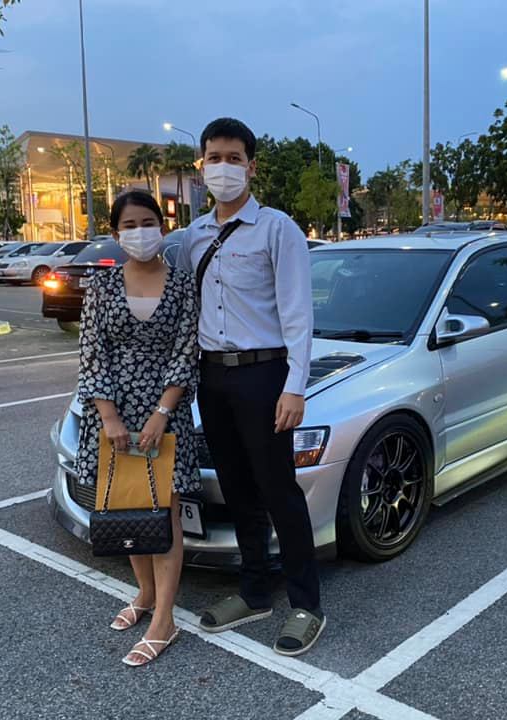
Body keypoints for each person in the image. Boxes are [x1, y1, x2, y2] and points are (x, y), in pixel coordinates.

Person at [178, 117, 324, 656]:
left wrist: (295, 387)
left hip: (265, 375)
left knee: (277, 490)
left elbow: (297, 314)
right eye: (213, 157)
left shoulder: (277, 229)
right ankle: (255, 592)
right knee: (239, 490)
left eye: (233, 158)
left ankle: (306, 604)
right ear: (201, 166)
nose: (223, 167)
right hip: (212, 376)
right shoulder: (193, 236)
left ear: (251, 166)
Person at [75, 190, 200, 668]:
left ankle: (164, 621)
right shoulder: (103, 286)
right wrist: (108, 415)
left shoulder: (184, 285)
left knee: (163, 510)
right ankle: (145, 594)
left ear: (162, 227)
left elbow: (187, 351)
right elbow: (92, 352)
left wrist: (162, 411)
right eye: (131, 224)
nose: (141, 231)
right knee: (129, 503)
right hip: (114, 411)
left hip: (164, 409)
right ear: (116, 232)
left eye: (149, 221)